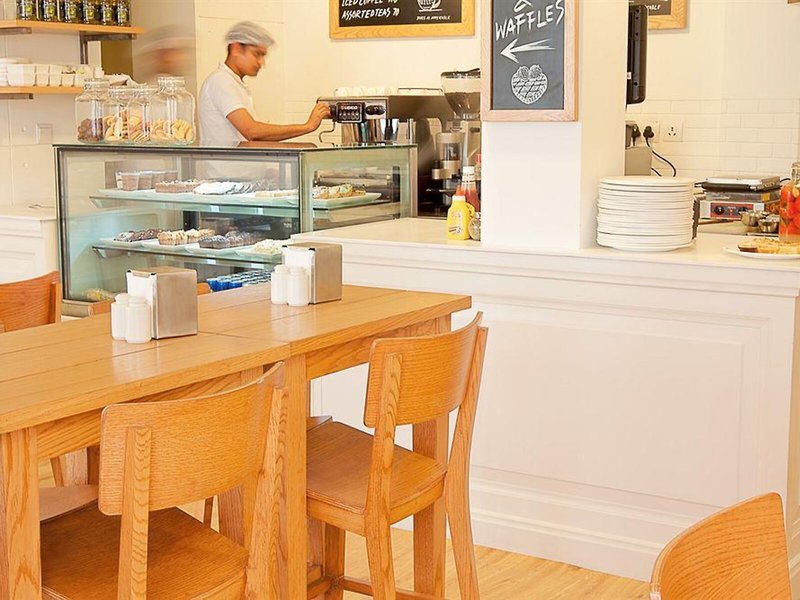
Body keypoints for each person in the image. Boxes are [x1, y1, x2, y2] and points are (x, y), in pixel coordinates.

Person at [199, 21, 330, 146]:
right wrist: (307, 126)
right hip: (227, 164)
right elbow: (252, 131)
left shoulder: (234, 83)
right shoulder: (221, 81)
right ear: (236, 49)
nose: (261, 62)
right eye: (257, 54)